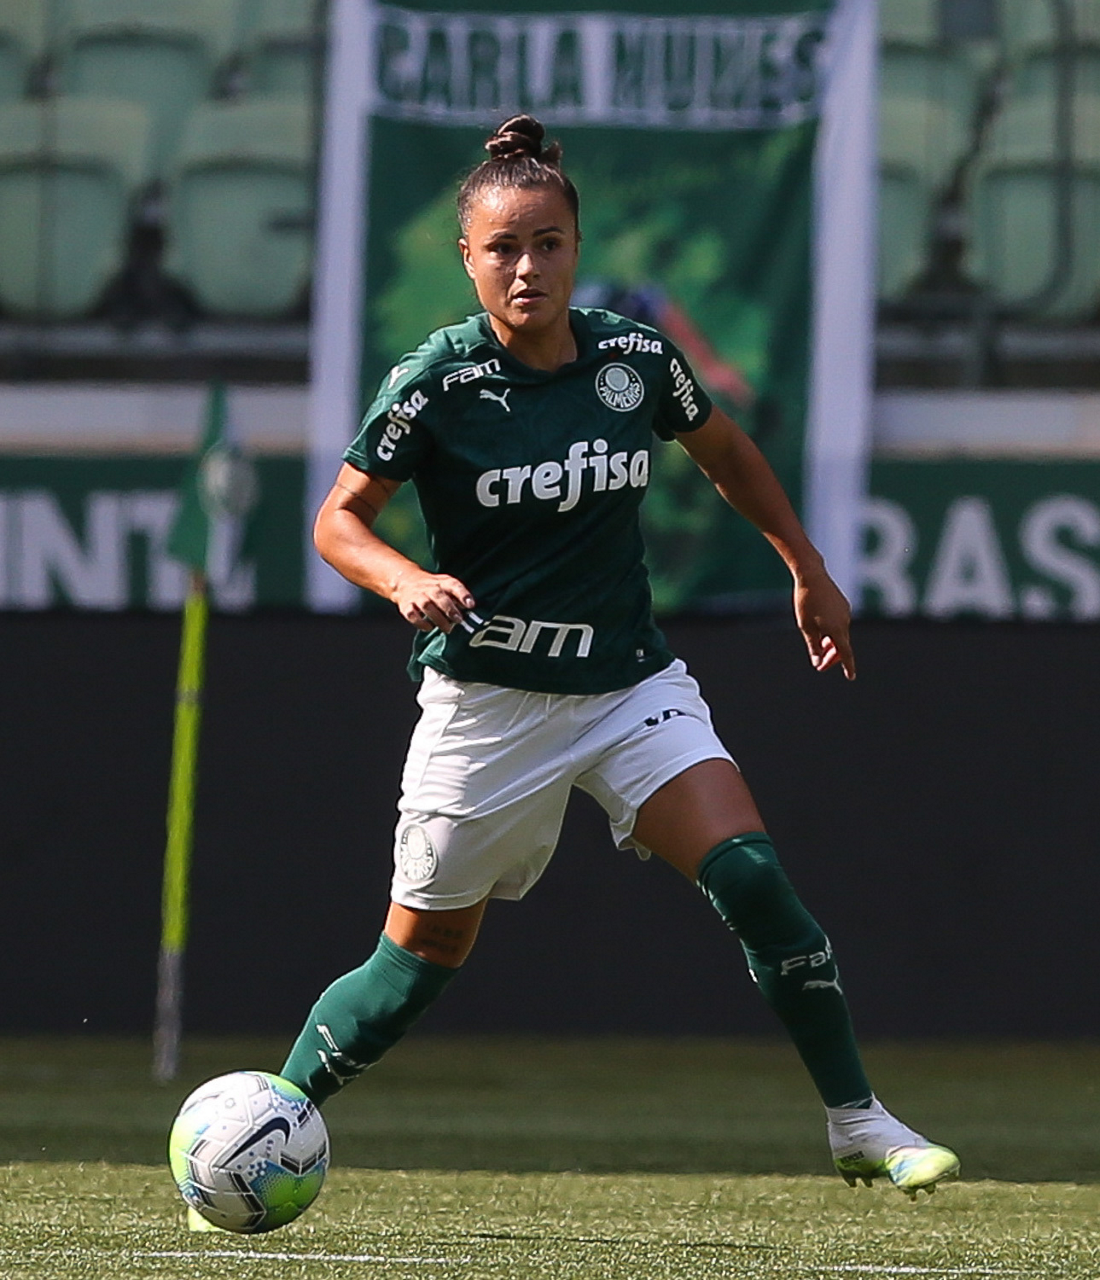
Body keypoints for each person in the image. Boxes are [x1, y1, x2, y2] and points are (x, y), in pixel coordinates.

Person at [279, 114, 959, 1198]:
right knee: (415, 964)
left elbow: (726, 449)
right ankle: (270, 1124)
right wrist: (403, 579)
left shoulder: (632, 358)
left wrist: (806, 566)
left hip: (625, 684)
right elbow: (338, 521)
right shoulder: (437, 382)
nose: (527, 268)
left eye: (547, 244)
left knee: (753, 877)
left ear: (576, 249)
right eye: (503, 248)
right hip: (489, 703)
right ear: (468, 259)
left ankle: (857, 1119)